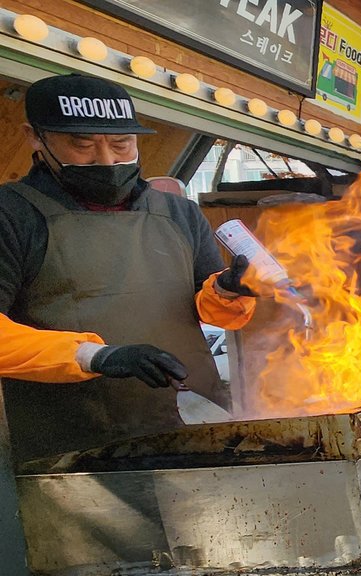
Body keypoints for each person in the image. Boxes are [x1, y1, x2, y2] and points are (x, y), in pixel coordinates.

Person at [0, 74, 259, 459]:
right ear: (36, 137)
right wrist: (95, 356)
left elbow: (208, 309)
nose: (107, 160)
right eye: (82, 145)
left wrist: (228, 292)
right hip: (69, 448)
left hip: (186, 427)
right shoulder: (12, 214)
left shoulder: (178, 212)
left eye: (121, 144)